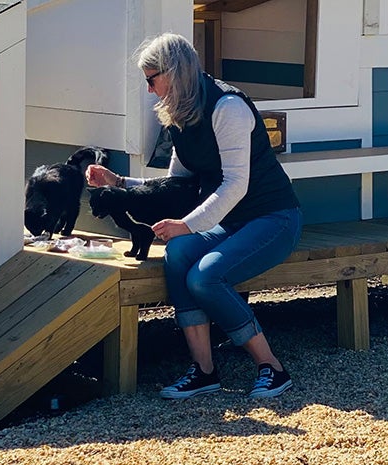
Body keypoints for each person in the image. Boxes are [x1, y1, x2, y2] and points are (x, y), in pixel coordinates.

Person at [86, 32, 302, 399]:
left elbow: (235, 184)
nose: (151, 90)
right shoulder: (179, 114)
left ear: (174, 71)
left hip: (273, 217)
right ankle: (204, 371)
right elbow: (176, 183)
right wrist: (119, 182)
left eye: (152, 79)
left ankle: (272, 367)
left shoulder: (227, 107)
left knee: (205, 277)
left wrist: (186, 225)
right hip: (229, 222)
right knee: (178, 254)